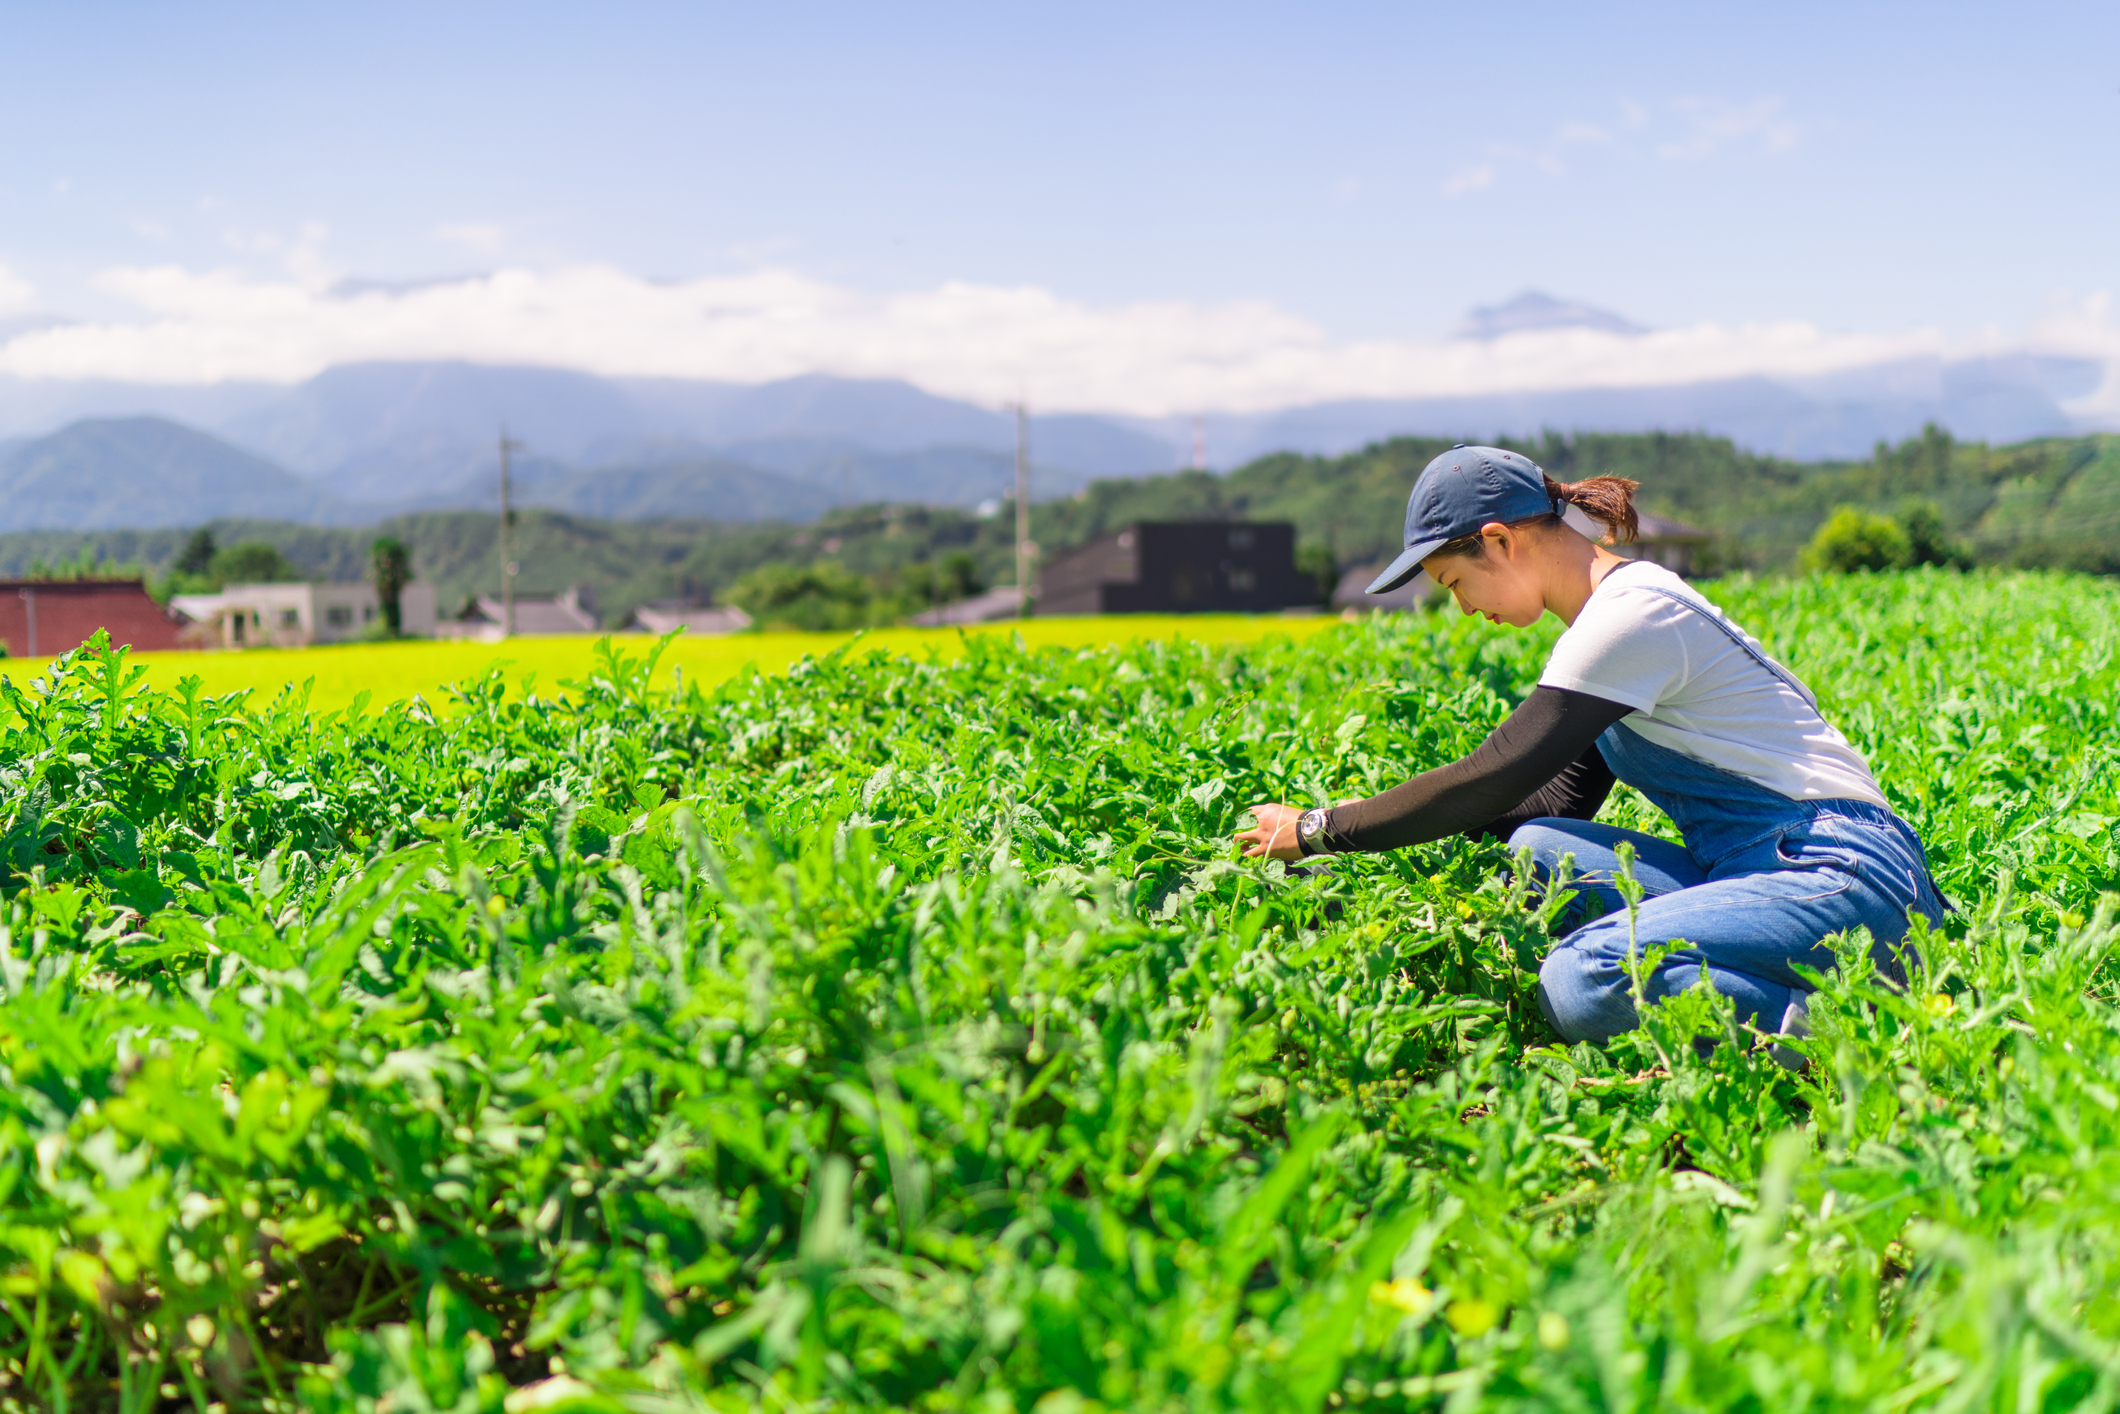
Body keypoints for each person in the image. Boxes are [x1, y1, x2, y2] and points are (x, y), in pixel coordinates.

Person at [1236, 445, 1945, 1047]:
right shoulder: (1610, 630)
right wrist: (1385, 870)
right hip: (1760, 871)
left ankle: (1858, 1033)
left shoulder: (1631, 617)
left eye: (1454, 582)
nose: (1463, 608)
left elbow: (1489, 777)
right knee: (1540, 850)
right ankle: (1810, 1002)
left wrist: (1318, 831)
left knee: (1582, 976)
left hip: (1844, 875)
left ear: (1499, 541)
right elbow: (1537, 801)